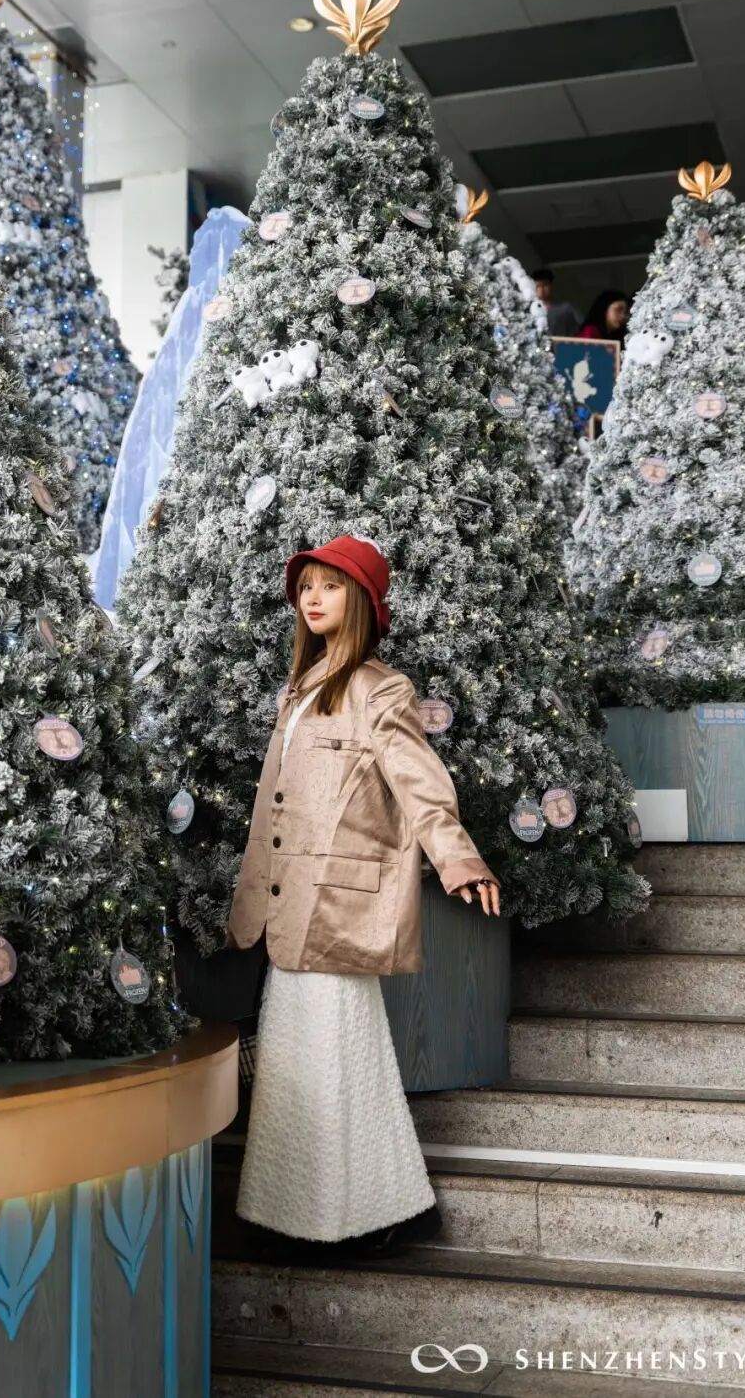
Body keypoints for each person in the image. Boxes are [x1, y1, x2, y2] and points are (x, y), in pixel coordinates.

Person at [224, 535, 501, 1255]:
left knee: (337, 1059)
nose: (312, 599)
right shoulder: (300, 689)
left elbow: (420, 785)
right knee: (297, 1063)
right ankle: (296, 1215)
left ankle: (364, 1216)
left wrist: (458, 859)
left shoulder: (381, 689)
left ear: (364, 603)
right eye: (306, 587)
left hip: (338, 907)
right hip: (288, 907)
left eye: (331, 586)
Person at [532, 266, 581, 338]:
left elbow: (575, 333)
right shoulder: (529, 311)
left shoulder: (565, 309)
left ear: (551, 285)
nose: (541, 290)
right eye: (538, 286)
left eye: (545, 285)